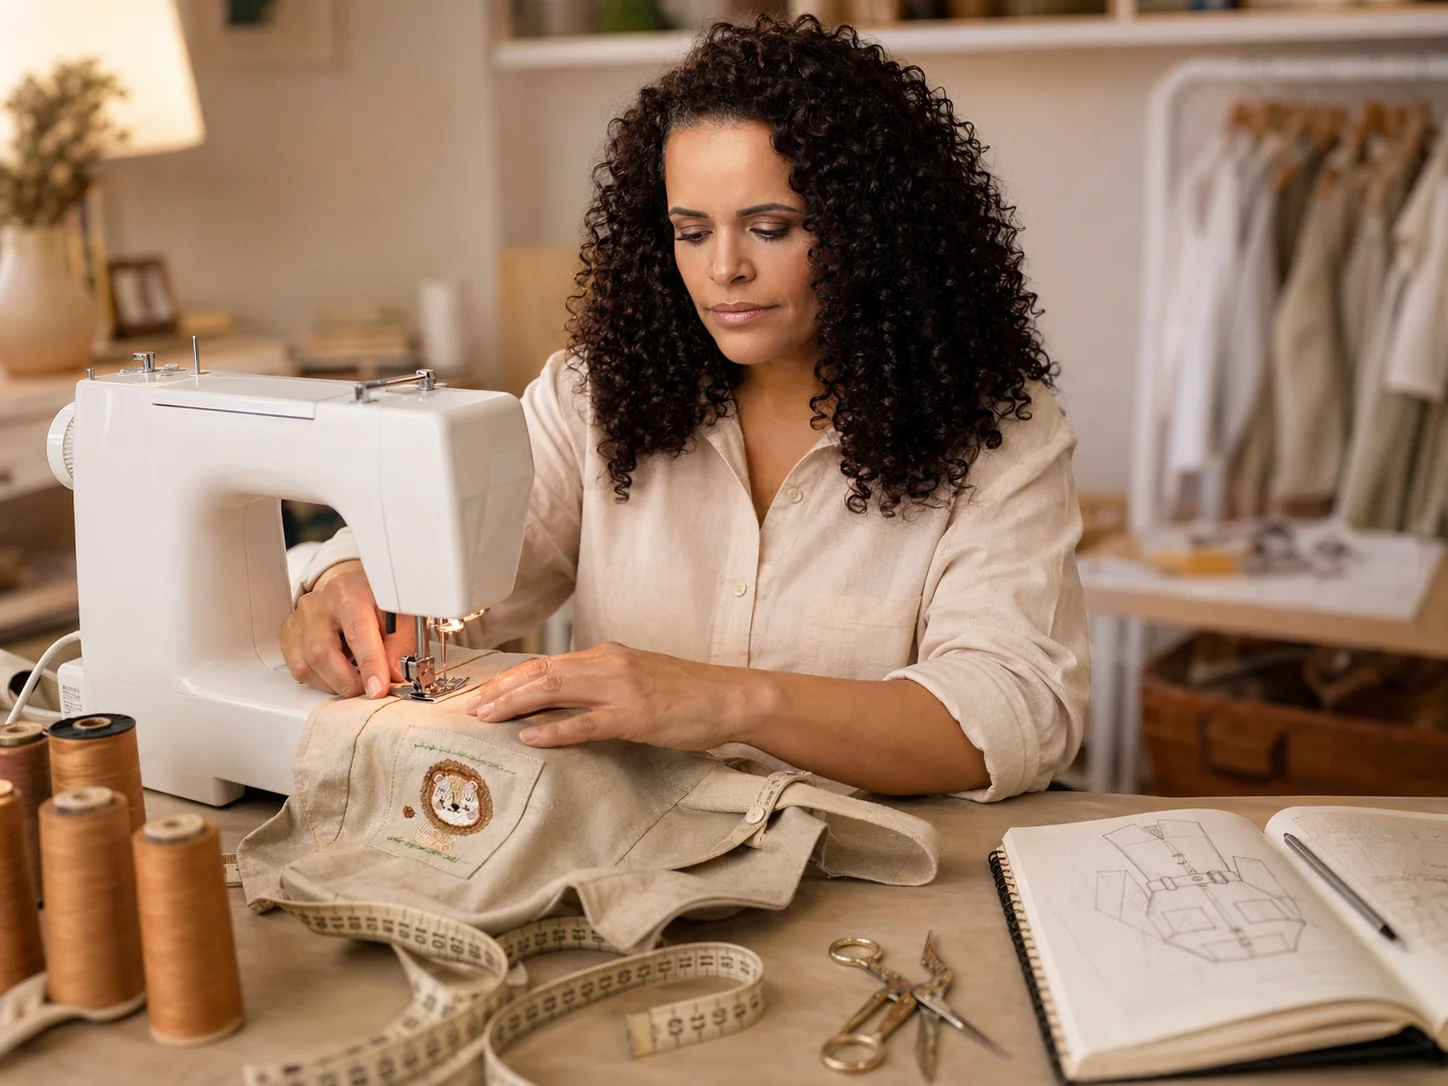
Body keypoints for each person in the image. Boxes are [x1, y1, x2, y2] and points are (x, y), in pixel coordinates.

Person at [282, 15, 1089, 800]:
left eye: (770, 228)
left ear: (872, 233)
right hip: (622, 856)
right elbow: (471, 554)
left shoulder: (996, 435)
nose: (724, 270)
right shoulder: (593, 398)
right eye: (691, 232)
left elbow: (1014, 711)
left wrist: (723, 700)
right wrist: (352, 576)